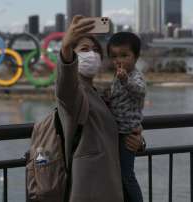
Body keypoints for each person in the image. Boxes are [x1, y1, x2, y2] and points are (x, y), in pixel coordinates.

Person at [56, 15, 145, 202]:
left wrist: (138, 141)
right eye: (84, 49)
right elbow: (64, 86)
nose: (92, 54)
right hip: (90, 190)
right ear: (73, 55)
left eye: (96, 50)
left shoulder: (99, 94)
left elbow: (117, 124)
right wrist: (65, 48)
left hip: (112, 188)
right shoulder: (74, 95)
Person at [107, 32, 146, 202]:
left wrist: (125, 81)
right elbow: (115, 97)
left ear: (136, 57)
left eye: (124, 55)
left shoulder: (135, 76)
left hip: (127, 133)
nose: (118, 60)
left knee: (126, 174)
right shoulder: (117, 76)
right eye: (114, 56)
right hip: (117, 131)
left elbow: (140, 91)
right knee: (117, 174)